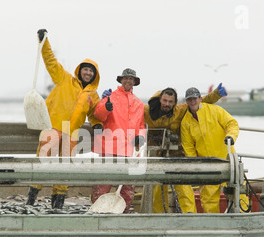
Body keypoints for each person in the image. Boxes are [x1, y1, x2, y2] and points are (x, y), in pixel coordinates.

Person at [26, 29, 102, 209]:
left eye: (91, 71)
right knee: (43, 164)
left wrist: (97, 125)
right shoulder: (64, 78)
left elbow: (94, 114)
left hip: (72, 134)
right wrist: (44, 42)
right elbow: (50, 61)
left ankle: (57, 204)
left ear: (95, 75)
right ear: (80, 70)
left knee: (65, 170)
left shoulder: (93, 94)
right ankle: (30, 200)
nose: (88, 73)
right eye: (85, 69)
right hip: (52, 127)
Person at [145, 84, 227, 213]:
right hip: (157, 154)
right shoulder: (146, 112)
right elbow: (129, 112)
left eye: (170, 102)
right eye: (165, 100)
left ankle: (190, 215)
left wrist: (217, 93)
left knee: (183, 187)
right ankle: (159, 216)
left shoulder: (180, 110)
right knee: (156, 189)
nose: (167, 104)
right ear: (160, 99)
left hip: (177, 154)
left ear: (175, 103)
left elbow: (200, 101)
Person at [91, 68, 146, 213]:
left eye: (131, 79)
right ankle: (98, 211)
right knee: (103, 184)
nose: (128, 81)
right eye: (126, 78)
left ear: (134, 82)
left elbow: (141, 125)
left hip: (129, 151)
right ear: (121, 80)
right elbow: (98, 115)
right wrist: (105, 107)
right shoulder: (110, 96)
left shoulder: (139, 104)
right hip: (109, 148)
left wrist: (141, 137)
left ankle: (124, 211)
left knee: (128, 187)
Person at [180, 87, 239, 213]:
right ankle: (214, 228)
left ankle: (246, 223)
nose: (192, 101)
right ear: (186, 102)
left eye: (194, 98)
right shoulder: (185, 122)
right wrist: (196, 168)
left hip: (228, 161)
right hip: (207, 166)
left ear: (200, 99)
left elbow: (232, 123)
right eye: (189, 99)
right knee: (208, 201)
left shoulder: (215, 110)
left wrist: (231, 136)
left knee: (240, 195)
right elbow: (189, 147)